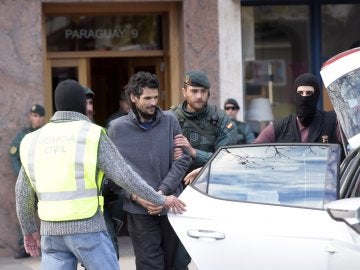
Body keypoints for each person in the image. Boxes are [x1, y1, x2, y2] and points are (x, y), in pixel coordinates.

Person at [15, 79, 186, 270]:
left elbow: (22, 193)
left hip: (50, 233)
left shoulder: (33, 139)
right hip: (87, 230)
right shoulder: (91, 134)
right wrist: (160, 199)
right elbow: (124, 176)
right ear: (82, 103)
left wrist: (29, 230)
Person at [107, 71, 191, 270]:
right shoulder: (117, 129)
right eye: (147, 98)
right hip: (139, 212)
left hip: (171, 208)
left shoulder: (171, 121)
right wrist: (136, 197)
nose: (153, 102)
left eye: (155, 97)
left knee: (174, 265)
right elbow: (112, 173)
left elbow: (182, 160)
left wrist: (159, 195)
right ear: (133, 98)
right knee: (149, 266)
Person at [171, 70, 238, 270]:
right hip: (177, 191)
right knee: (176, 253)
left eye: (203, 91)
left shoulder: (221, 119)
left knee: (214, 251)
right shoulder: (170, 118)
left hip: (211, 192)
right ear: (184, 91)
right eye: (194, 91)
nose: (199, 96)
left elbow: (228, 160)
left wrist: (194, 154)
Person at [254, 73, 341, 144]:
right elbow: (255, 151)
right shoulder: (280, 127)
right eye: (300, 92)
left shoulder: (332, 122)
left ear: (316, 95)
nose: (304, 97)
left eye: (309, 93)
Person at [9, 104, 45, 259]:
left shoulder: (46, 134)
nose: (37, 119)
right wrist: (21, 176)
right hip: (28, 183)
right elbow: (13, 156)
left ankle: (48, 245)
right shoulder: (22, 135)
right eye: (34, 115)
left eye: (39, 116)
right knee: (24, 212)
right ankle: (24, 247)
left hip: (44, 182)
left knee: (47, 214)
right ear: (30, 116)